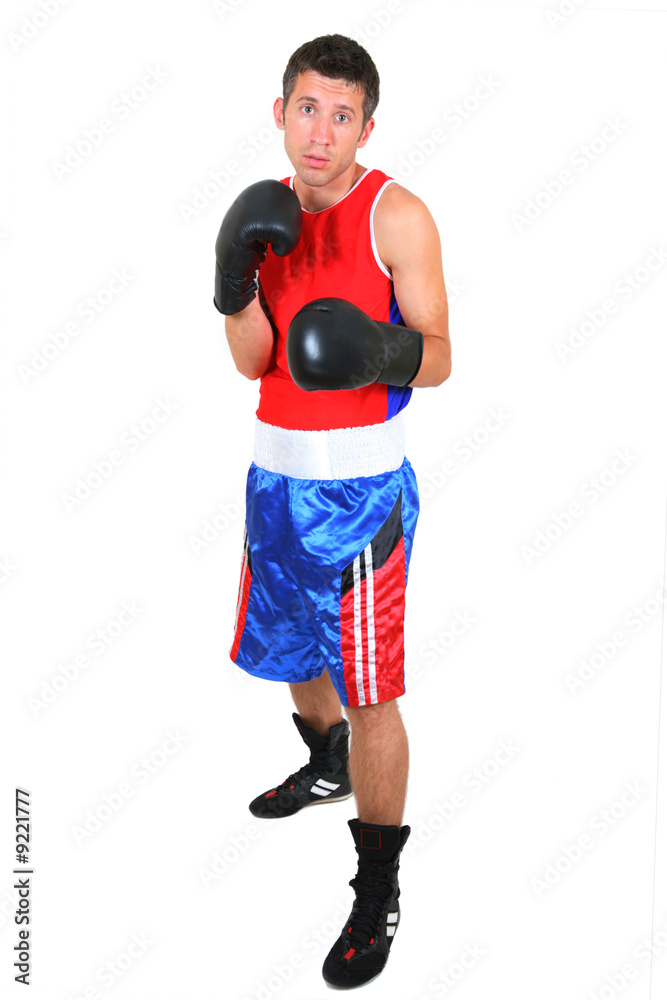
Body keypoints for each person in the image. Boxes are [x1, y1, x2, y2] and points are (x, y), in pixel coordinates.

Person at [213, 33, 451, 990]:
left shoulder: (398, 215)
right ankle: (329, 762)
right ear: (280, 113)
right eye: (307, 108)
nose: (321, 132)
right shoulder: (262, 216)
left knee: (370, 690)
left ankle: (377, 884)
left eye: (341, 115)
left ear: (365, 127)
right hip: (272, 479)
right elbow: (251, 361)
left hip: (359, 496)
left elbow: (440, 356)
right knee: (289, 653)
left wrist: (377, 353)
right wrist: (232, 283)